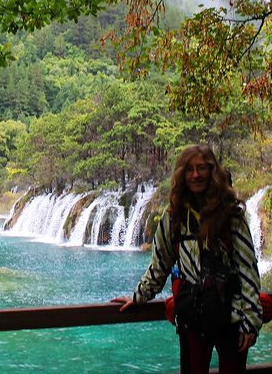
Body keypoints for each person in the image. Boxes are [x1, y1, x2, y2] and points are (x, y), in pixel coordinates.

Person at [112, 144, 262, 373]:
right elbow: (160, 263)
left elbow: (247, 269)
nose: (196, 175)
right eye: (190, 169)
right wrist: (138, 296)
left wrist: (250, 321)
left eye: (202, 168)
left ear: (213, 172)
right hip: (193, 315)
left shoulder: (231, 216)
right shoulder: (173, 217)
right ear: (182, 175)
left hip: (232, 315)